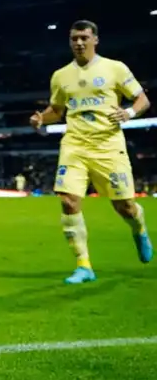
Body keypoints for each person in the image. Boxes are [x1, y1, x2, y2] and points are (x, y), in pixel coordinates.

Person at [30, 20, 151, 284]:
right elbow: (57, 111)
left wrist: (129, 112)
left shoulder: (114, 68)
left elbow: (142, 99)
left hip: (108, 145)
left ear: (95, 39)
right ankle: (84, 266)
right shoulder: (60, 76)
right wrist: (41, 119)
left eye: (84, 37)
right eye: (74, 38)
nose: (79, 42)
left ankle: (139, 228)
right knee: (68, 201)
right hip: (74, 144)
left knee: (125, 207)